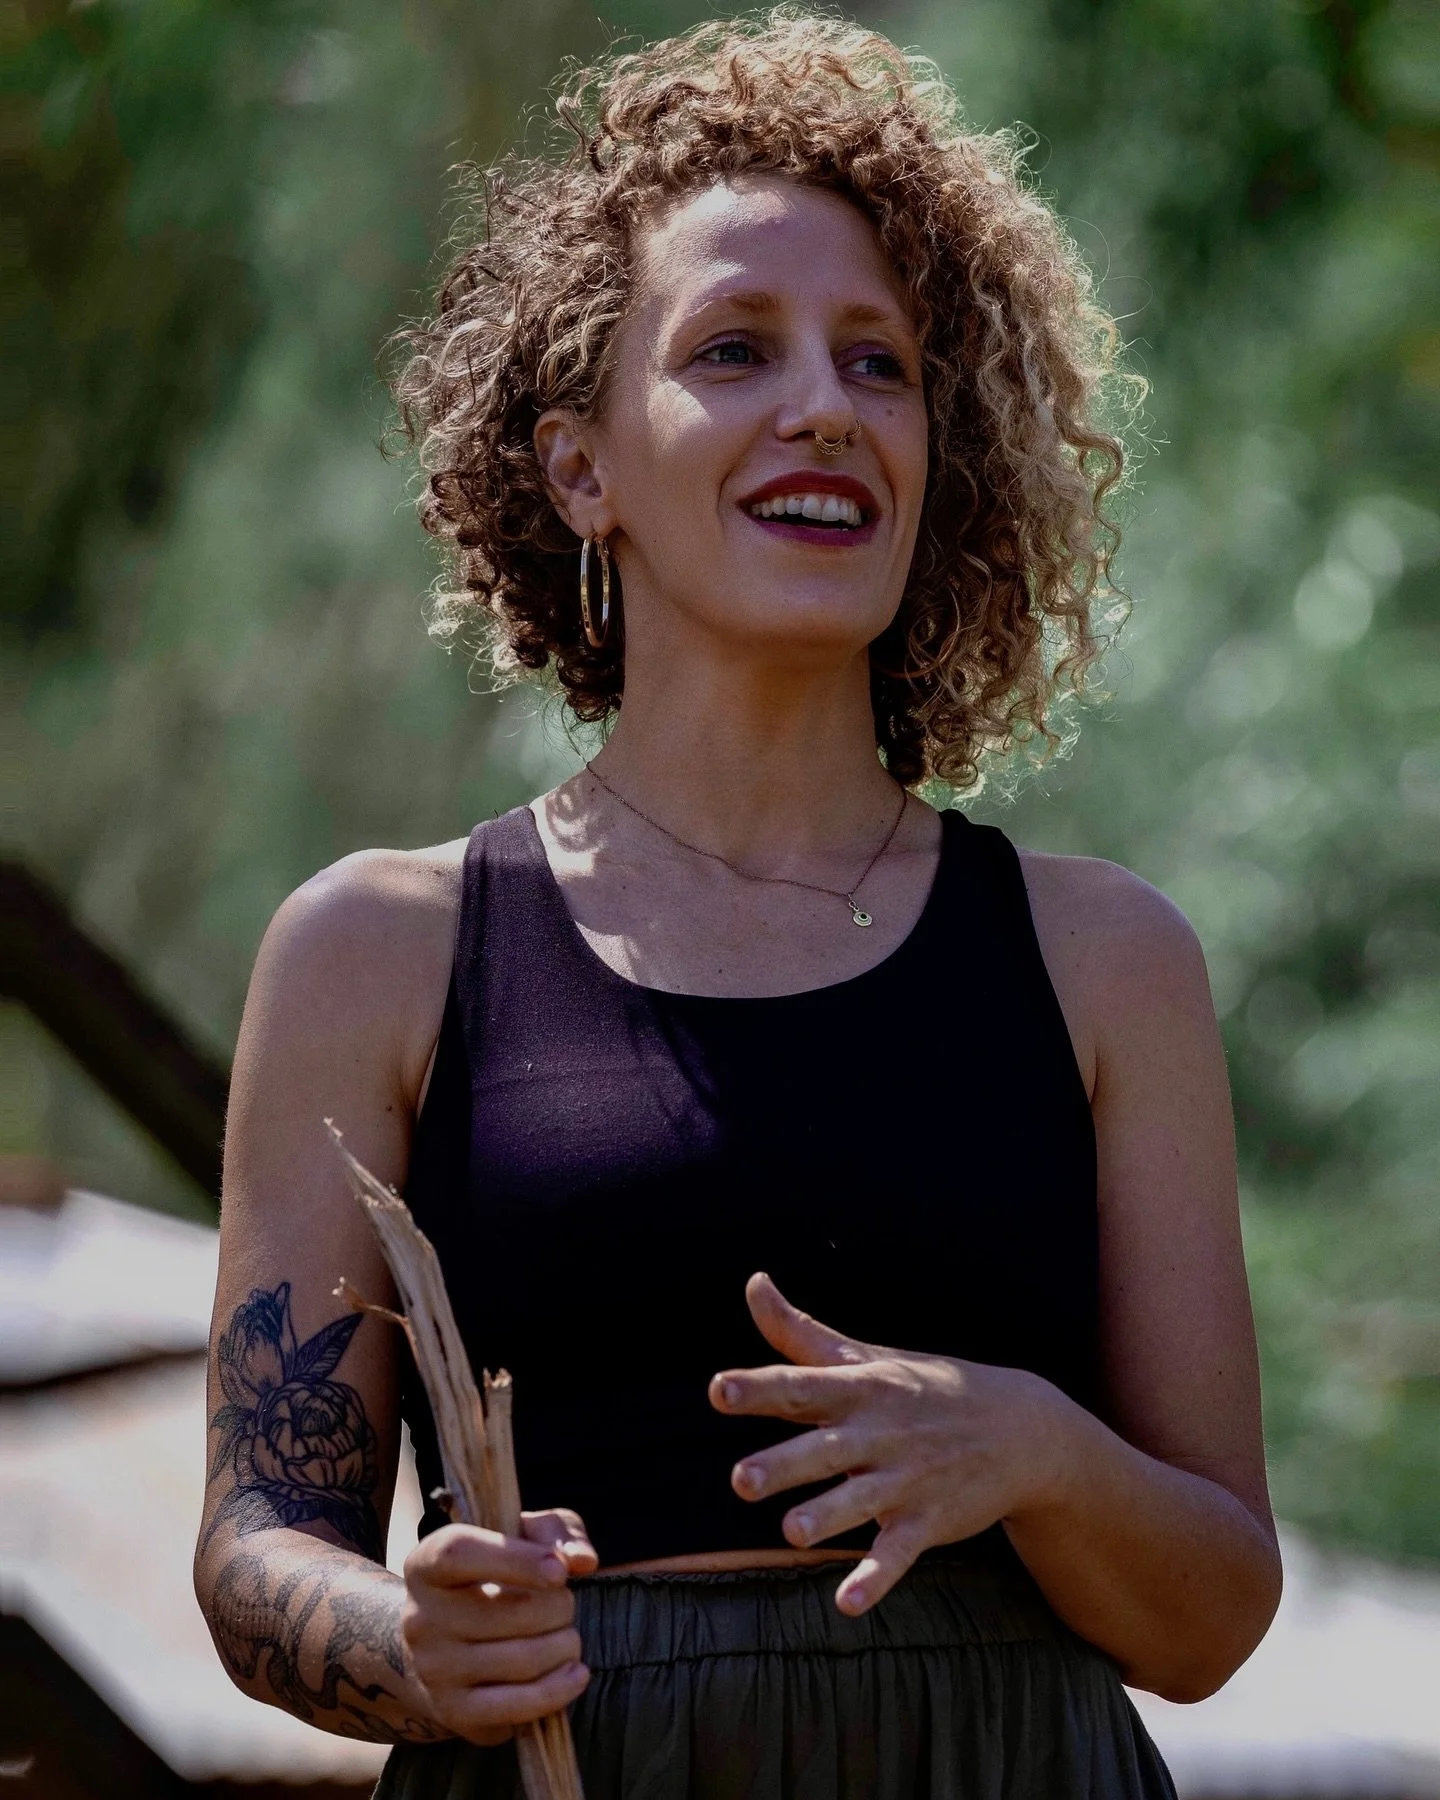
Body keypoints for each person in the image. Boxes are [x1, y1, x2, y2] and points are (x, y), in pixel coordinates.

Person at [194, 13, 1282, 1798]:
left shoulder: (1104, 962)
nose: (825, 407)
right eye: (733, 349)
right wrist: (416, 1645)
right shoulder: (378, 950)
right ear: (581, 468)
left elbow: (1216, 1615)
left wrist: (1035, 1451)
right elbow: (256, 1549)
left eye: (880, 364)